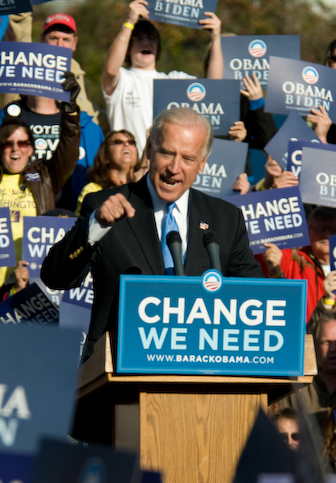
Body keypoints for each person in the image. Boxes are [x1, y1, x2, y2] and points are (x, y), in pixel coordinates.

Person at [42, 108, 263, 358]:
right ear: (149, 150)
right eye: (167, 153)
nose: (174, 168)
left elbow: (257, 297)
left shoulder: (225, 219)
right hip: (118, 372)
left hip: (201, 373)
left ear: (202, 163)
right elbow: (56, 277)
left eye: (188, 159)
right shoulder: (105, 207)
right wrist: (96, 226)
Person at [0, 115, 79, 305]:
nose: (16, 148)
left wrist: (71, 112)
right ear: (0, 148)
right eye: (9, 143)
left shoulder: (44, 177)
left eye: (22, 143)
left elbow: (68, 150)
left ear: (31, 148)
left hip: (30, 279)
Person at [102, 0, 223, 155]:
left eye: (151, 38)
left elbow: (214, 87)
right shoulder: (122, 80)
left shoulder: (173, 80)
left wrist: (216, 38)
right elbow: (111, 69)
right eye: (138, 39)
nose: (145, 42)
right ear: (128, 47)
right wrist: (129, 23)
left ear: (158, 48)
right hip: (128, 169)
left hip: (163, 170)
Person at [75, 129, 139, 215]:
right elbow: (82, 225)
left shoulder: (144, 187)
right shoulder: (92, 191)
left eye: (131, 142)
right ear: (105, 156)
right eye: (118, 142)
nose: (126, 144)